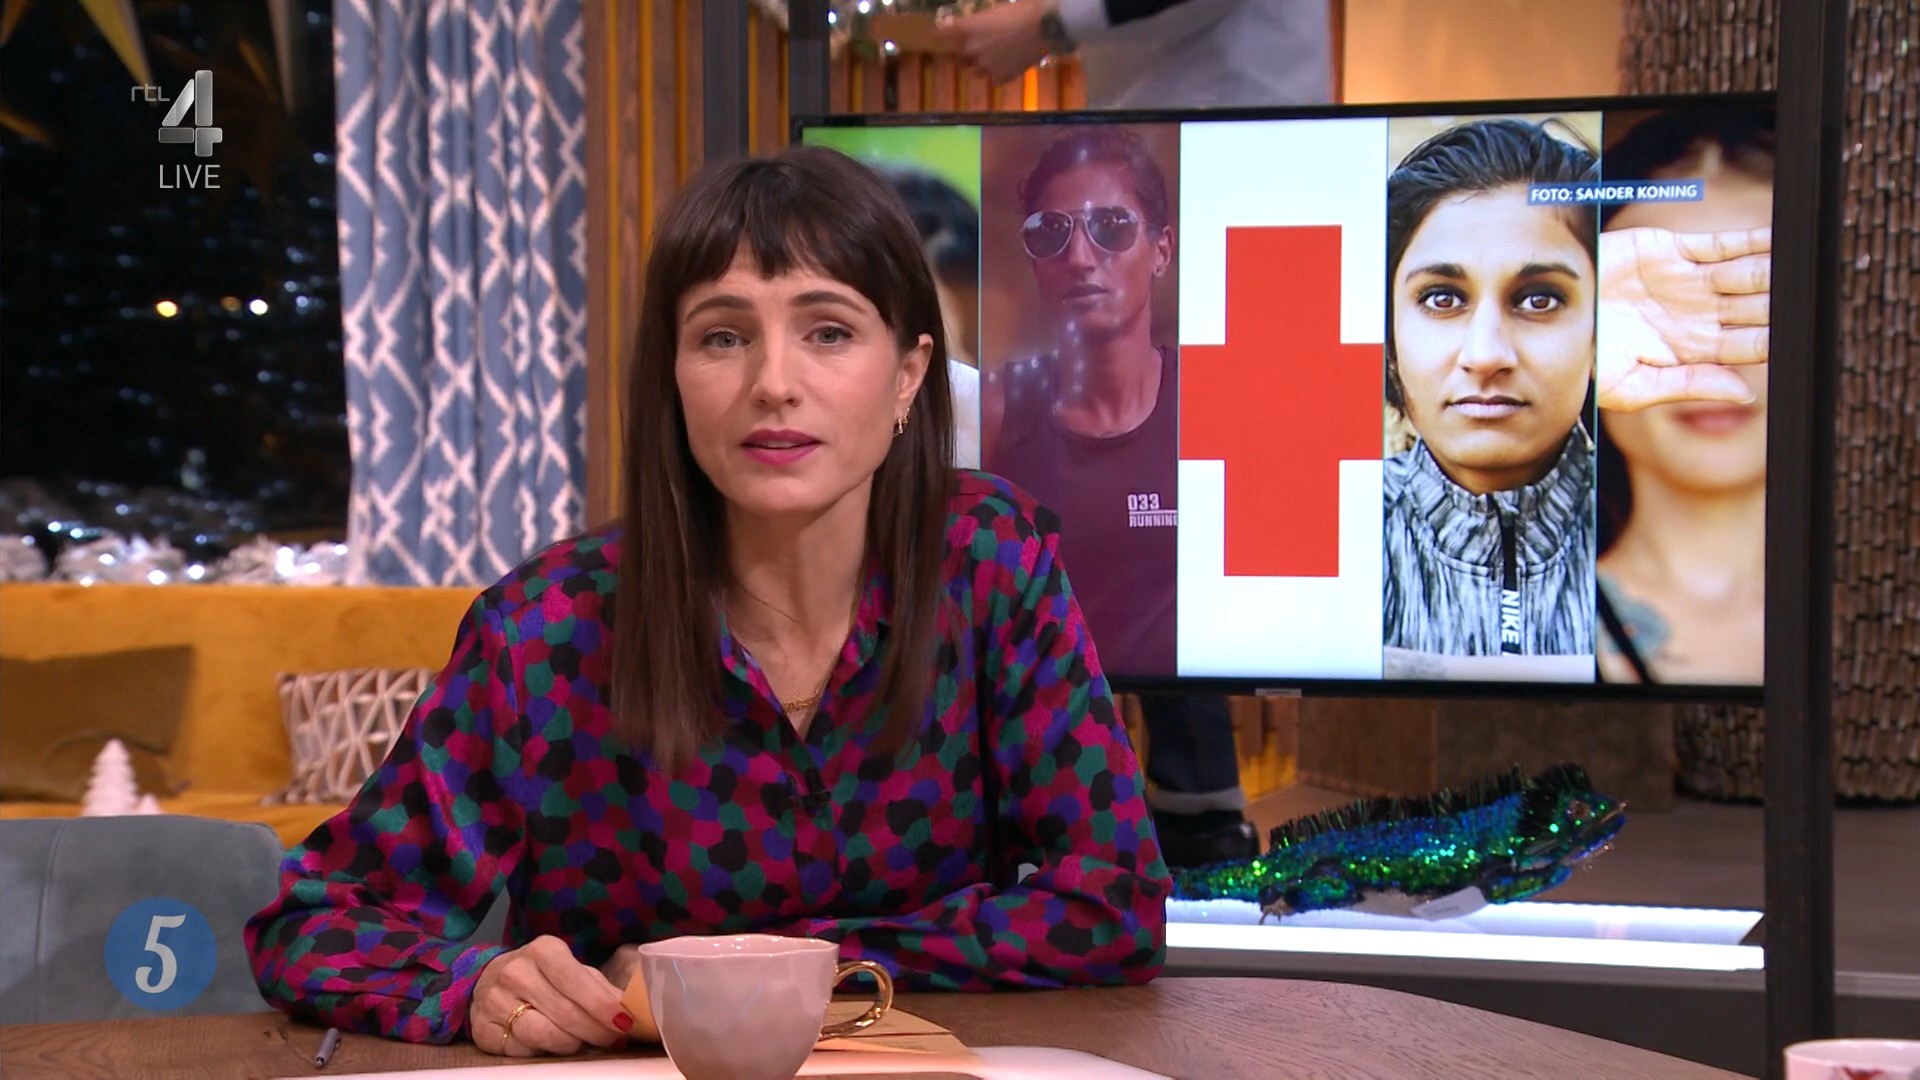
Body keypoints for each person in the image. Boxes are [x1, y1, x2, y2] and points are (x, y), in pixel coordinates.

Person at [244, 146, 1170, 1055]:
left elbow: (1115, 901)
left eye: (828, 332)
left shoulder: (991, 562)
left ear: (908, 374)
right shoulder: (545, 631)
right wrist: (474, 985)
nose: (774, 383)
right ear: (674, 376)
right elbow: (314, 923)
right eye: (723, 337)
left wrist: (763, 966)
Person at [947, 0, 1337, 869]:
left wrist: (1049, 25)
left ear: (1158, 248)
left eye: (1112, 231)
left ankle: (1196, 802)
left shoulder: (1213, 381)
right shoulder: (1004, 406)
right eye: (1052, 235)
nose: (1082, 256)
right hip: (1170, 118)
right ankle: (1133, 805)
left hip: (1239, 138)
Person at [1379, 118, 1602, 668]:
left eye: (1539, 299)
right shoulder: (1327, 538)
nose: (1485, 354)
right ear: (1388, 337)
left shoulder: (1665, 535)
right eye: (1442, 298)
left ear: (1602, 330)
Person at [1594, 108, 1775, 685]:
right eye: (1662, 307)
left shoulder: (1889, 624)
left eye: (1754, 298)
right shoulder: (1493, 632)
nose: (1710, 361)